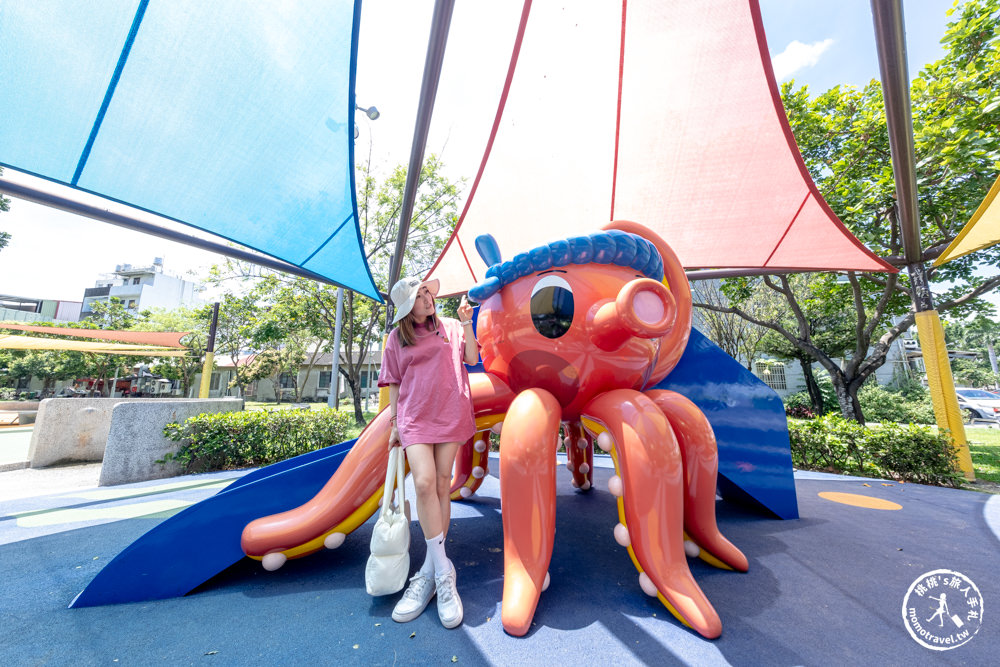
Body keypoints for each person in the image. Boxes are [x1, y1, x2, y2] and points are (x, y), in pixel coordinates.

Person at [377, 276, 478, 629]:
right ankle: (442, 572)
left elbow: (471, 358)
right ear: (407, 309)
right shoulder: (396, 338)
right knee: (423, 483)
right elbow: (393, 381)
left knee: (440, 485)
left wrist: (466, 321)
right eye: (419, 296)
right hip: (415, 416)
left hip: (450, 411)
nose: (427, 299)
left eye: (426, 293)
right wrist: (393, 425)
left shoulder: (450, 325)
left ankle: (432, 573)